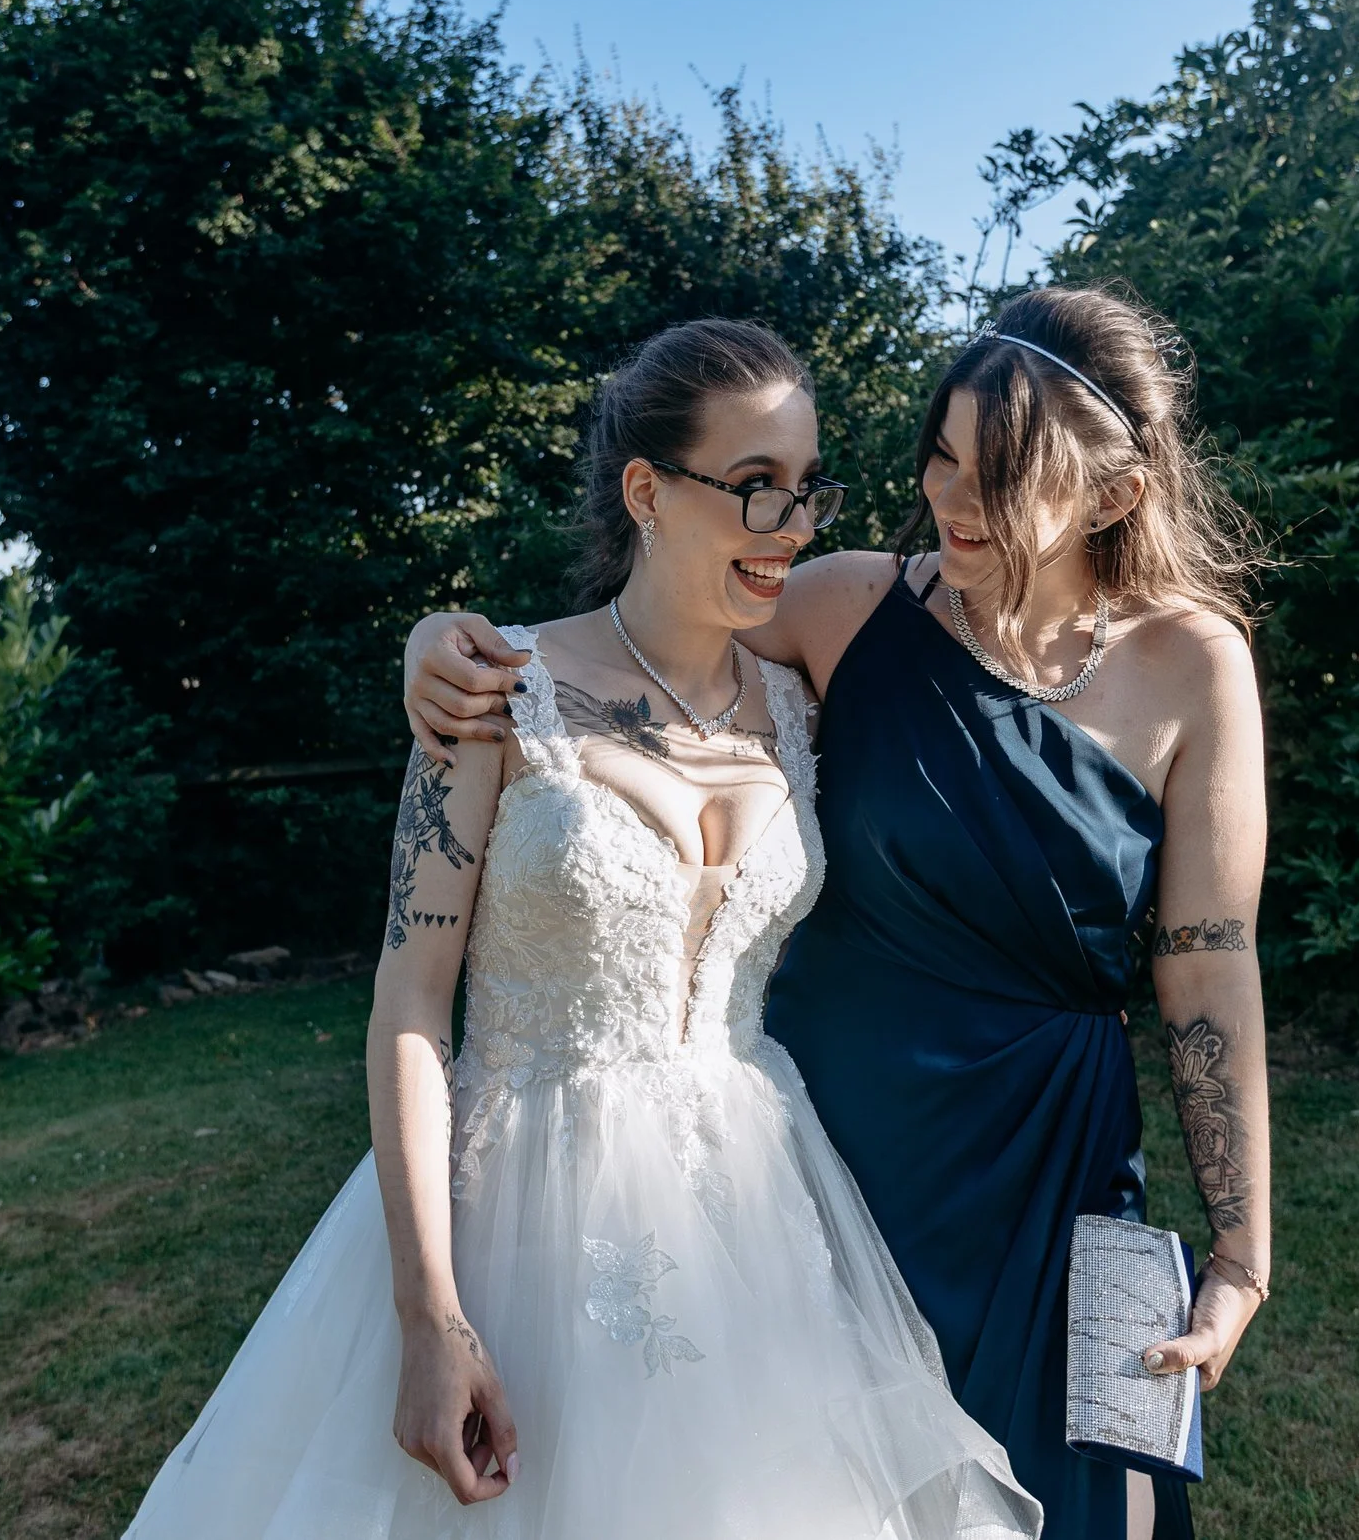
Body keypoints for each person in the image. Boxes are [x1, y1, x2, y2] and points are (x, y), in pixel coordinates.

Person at [124, 320, 1039, 1539]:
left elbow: (1024, 634)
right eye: (755, 485)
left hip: (754, 1209)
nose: (792, 524)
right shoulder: (493, 693)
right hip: (518, 1214)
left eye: (807, 486)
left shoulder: (804, 700)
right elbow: (410, 1002)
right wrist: (430, 1313)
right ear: (647, 492)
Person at [405, 284, 1273, 1540]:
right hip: (834, 1168)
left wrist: (1240, 1250)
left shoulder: (1193, 661)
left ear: (1111, 496)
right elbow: (643, 648)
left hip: (1060, 1167)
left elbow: (1208, 965)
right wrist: (444, 644)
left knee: (1094, 1507)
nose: (949, 498)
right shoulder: (846, 607)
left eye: (998, 476)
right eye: (940, 456)